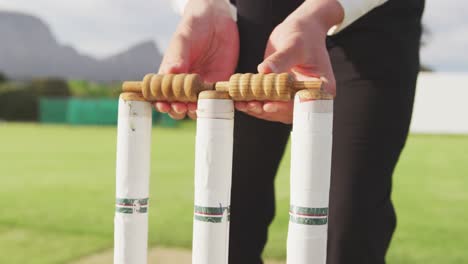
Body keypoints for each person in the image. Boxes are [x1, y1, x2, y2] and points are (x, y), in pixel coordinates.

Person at [155, 0, 425, 263]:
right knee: (230, 215)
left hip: (376, 25)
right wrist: (204, 5)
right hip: (256, 17)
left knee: (351, 221)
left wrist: (322, 11)